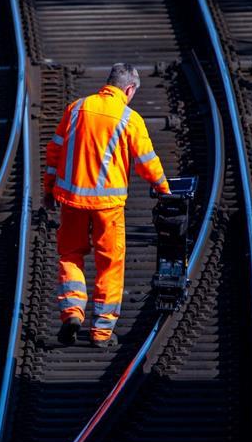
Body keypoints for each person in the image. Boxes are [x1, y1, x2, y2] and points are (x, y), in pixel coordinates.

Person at [43, 63, 170, 348]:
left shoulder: (76, 108)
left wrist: (48, 189)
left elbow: (54, 150)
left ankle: (72, 313)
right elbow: (147, 162)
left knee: (70, 255)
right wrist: (163, 189)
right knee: (110, 264)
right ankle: (101, 333)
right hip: (108, 207)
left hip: (72, 200)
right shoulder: (129, 118)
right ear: (128, 89)